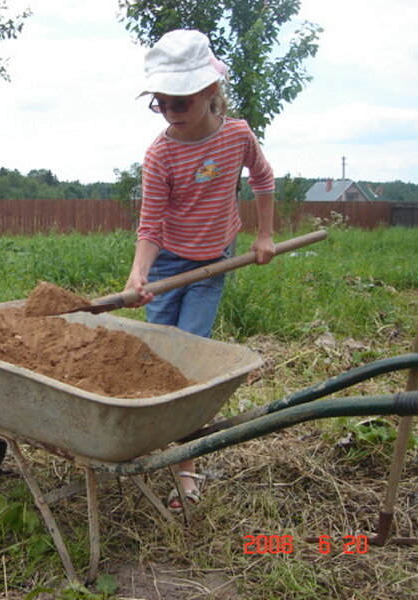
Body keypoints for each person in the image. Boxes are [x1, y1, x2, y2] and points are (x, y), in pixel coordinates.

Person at [124, 29, 276, 511]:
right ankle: (147, 439)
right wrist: (139, 276)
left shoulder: (237, 135)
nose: (170, 111)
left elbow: (264, 178)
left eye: (180, 101)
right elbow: (150, 225)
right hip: (169, 260)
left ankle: (185, 468)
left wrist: (265, 236)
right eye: (161, 102)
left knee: (188, 357)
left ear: (210, 91)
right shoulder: (160, 154)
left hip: (215, 259)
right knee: (157, 353)